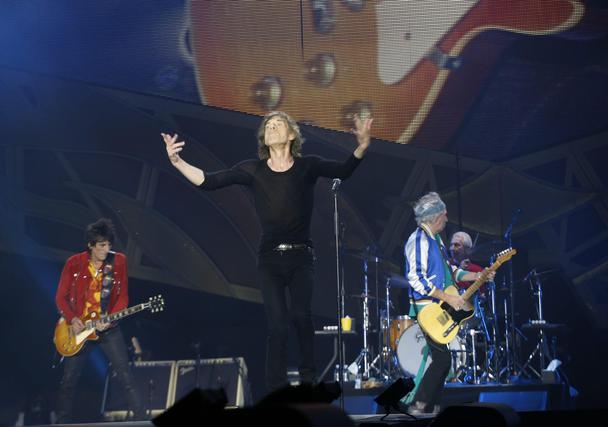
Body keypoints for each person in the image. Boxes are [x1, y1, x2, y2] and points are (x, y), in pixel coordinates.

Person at [162, 111, 372, 391]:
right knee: (278, 326)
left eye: (278, 124)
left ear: (292, 135)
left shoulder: (308, 166)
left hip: (301, 257)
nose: (271, 127)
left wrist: (362, 147)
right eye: (268, 125)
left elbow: (344, 170)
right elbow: (209, 181)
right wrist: (177, 161)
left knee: (301, 317)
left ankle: (308, 381)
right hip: (270, 258)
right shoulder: (253, 170)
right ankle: (276, 388)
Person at [404, 192, 492, 415]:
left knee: (443, 359)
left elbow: (450, 271)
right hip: (427, 309)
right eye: (444, 213)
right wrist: (448, 297)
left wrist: (477, 276)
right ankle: (419, 403)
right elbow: (416, 278)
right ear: (434, 216)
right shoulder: (418, 240)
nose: (446, 217)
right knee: (442, 359)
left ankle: (431, 406)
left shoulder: (437, 240)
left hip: (439, 306)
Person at [54, 218, 145, 422]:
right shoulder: (74, 263)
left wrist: (110, 319)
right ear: (91, 245)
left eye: (109, 245)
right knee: (68, 381)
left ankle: (143, 420)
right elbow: (60, 297)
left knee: (126, 376)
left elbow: (123, 297)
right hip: (78, 330)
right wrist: (72, 319)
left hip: (107, 329)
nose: (106, 249)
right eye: (102, 245)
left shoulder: (118, 261)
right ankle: (61, 422)